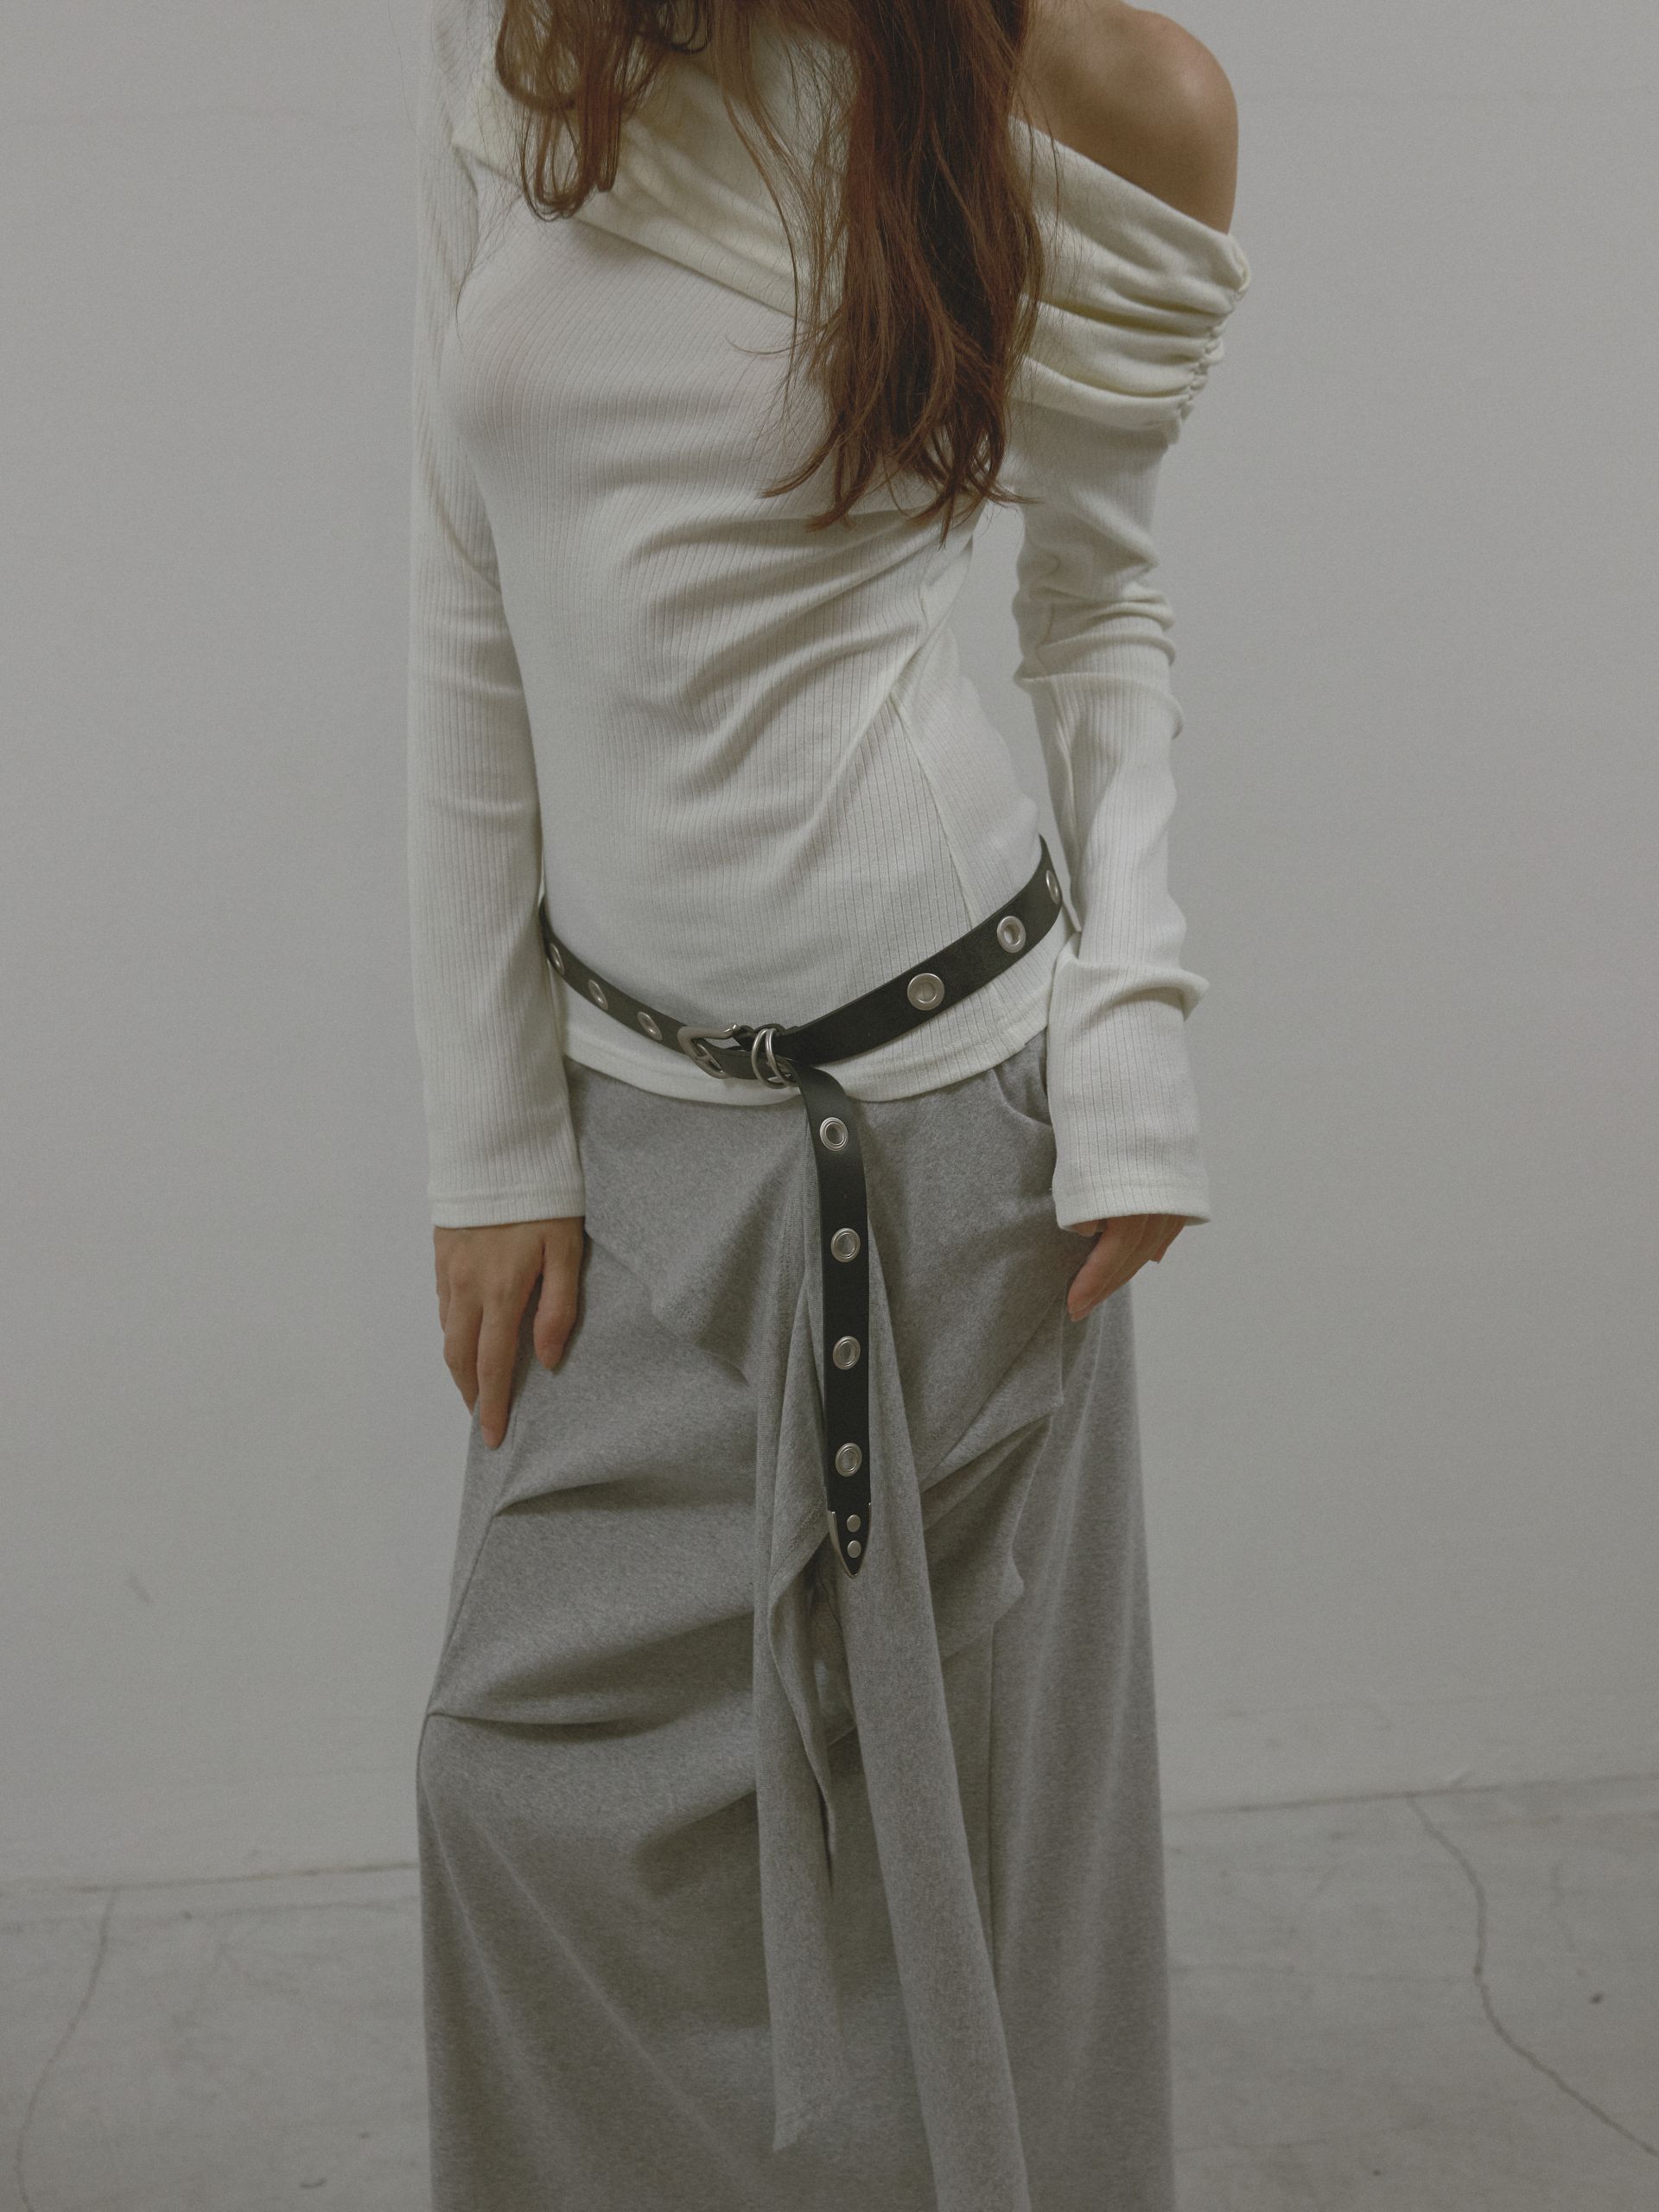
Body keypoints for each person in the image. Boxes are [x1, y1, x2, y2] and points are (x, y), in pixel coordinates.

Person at [404, 0, 1248, 2203]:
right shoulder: (521, 41)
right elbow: (464, 591)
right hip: (631, 1128)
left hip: (964, 1131)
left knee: (976, 1849)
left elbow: (1099, 598)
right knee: (507, 1780)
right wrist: (491, 1140)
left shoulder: (1104, 94)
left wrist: (1134, 1038)